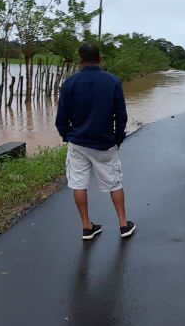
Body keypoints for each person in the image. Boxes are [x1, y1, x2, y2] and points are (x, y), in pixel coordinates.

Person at [55, 42, 136, 240]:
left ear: (80, 59)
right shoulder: (113, 81)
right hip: (105, 143)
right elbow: (121, 115)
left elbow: (61, 118)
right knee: (114, 183)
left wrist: (67, 136)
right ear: (100, 59)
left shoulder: (70, 83)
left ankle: (86, 227)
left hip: (78, 144)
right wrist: (118, 139)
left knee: (79, 184)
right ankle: (123, 225)